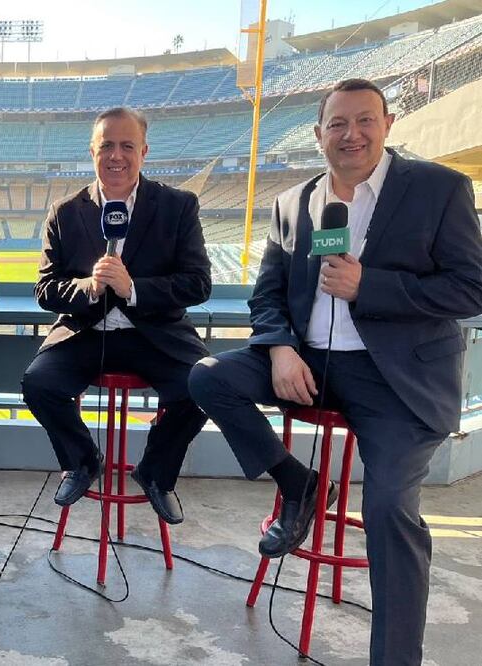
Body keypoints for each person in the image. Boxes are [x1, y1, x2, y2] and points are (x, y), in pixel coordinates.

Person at [188, 78, 482, 665]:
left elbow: (470, 288)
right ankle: (300, 484)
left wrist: (368, 286)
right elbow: (267, 295)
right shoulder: (293, 201)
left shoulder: (438, 189)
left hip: (396, 380)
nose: (352, 135)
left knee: (387, 510)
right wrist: (277, 348)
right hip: (309, 364)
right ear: (319, 134)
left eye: (365, 121)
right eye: (338, 124)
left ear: (389, 124)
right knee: (207, 376)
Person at [22, 107, 211, 519]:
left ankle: (156, 472)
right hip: (85, 333)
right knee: (38, 384)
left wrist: (134, 289)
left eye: (127, 146)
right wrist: (88, 288)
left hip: (156, 334)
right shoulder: (66, 211)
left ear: (144, 151)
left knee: (204, 387)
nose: (116, 156)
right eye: (107, 145)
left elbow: (198, 283)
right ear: (92, 151)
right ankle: (83, 460)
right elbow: (45, 289)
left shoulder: (177, 206)